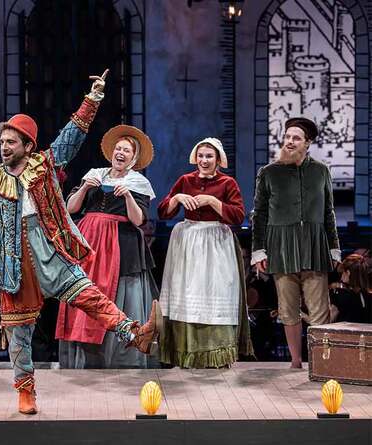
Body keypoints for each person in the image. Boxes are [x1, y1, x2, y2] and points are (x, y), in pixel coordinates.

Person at [0, 70, 156, 415]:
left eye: (12, 142)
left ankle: (134, 334)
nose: (5, 148)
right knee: (19, 331)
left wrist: (93, 97)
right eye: (3, 142)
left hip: (49, 246)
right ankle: (26, 392)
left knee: (89, 293)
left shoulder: (46, 165)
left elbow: (74, 134)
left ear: (27, 145)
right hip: (12, 257)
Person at [56, 124, 158, 368]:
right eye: (118, 148)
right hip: (88, 240)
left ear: (133, 159)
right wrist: (85, 187)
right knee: (82, 290)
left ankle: (121, 357)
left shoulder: (137, 182)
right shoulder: (95, 174)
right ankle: (83, 357)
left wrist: (128, 196)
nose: (121, 153)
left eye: (127, 151)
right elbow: (71, 209)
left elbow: (138, 220)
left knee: (118, 294)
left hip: (119, 244)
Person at [251, 117, 340, 369]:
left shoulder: (321, 171)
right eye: (287, 137)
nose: (289, 142)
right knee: (287, 309)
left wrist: (334, 248)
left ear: (307, 143)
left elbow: (328, 212)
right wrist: (258, 250)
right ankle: (296, 362)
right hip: (281, 247)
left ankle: (322, 364)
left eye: (296, 138)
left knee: (319, 311)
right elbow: (259, 214)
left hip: (314, 246)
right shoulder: (268, 172)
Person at [157, 138, 252, 368]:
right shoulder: (185, 180)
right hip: (188, 241)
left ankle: (215, 352)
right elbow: (163, 212)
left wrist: (212, 201)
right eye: (201, 156)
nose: (204, 160)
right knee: (186, 291)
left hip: (215, 243)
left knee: (214, 290)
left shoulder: (227, 183)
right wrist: (177, 198)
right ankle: (184, 352)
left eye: (209, 156)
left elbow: (238, 216)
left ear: (218, 159)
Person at [329, 253, 369, 323]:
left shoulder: (340, 295)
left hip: (341, 332)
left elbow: (329, 320)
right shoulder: (367, 295)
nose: (341, 276)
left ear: (348, 273)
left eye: (343, 272)